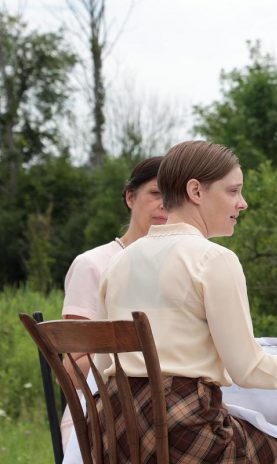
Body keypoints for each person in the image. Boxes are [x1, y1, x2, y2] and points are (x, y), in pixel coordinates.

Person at [93, 140, 277, 463]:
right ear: (196, 191)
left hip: (111, 435)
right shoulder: (213, 259)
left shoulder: (119, 263)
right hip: (181, 434)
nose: (243, 204)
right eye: (233, 191)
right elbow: (249, 370)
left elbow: (104, 369)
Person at [60, 155, 167, 450]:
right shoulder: (93, 264)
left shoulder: (186, 268)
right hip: (102, 411)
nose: (165, 205)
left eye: (175, 197)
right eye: (157, 193)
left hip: (170, 407)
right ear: (131, 197)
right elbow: (71, 368)